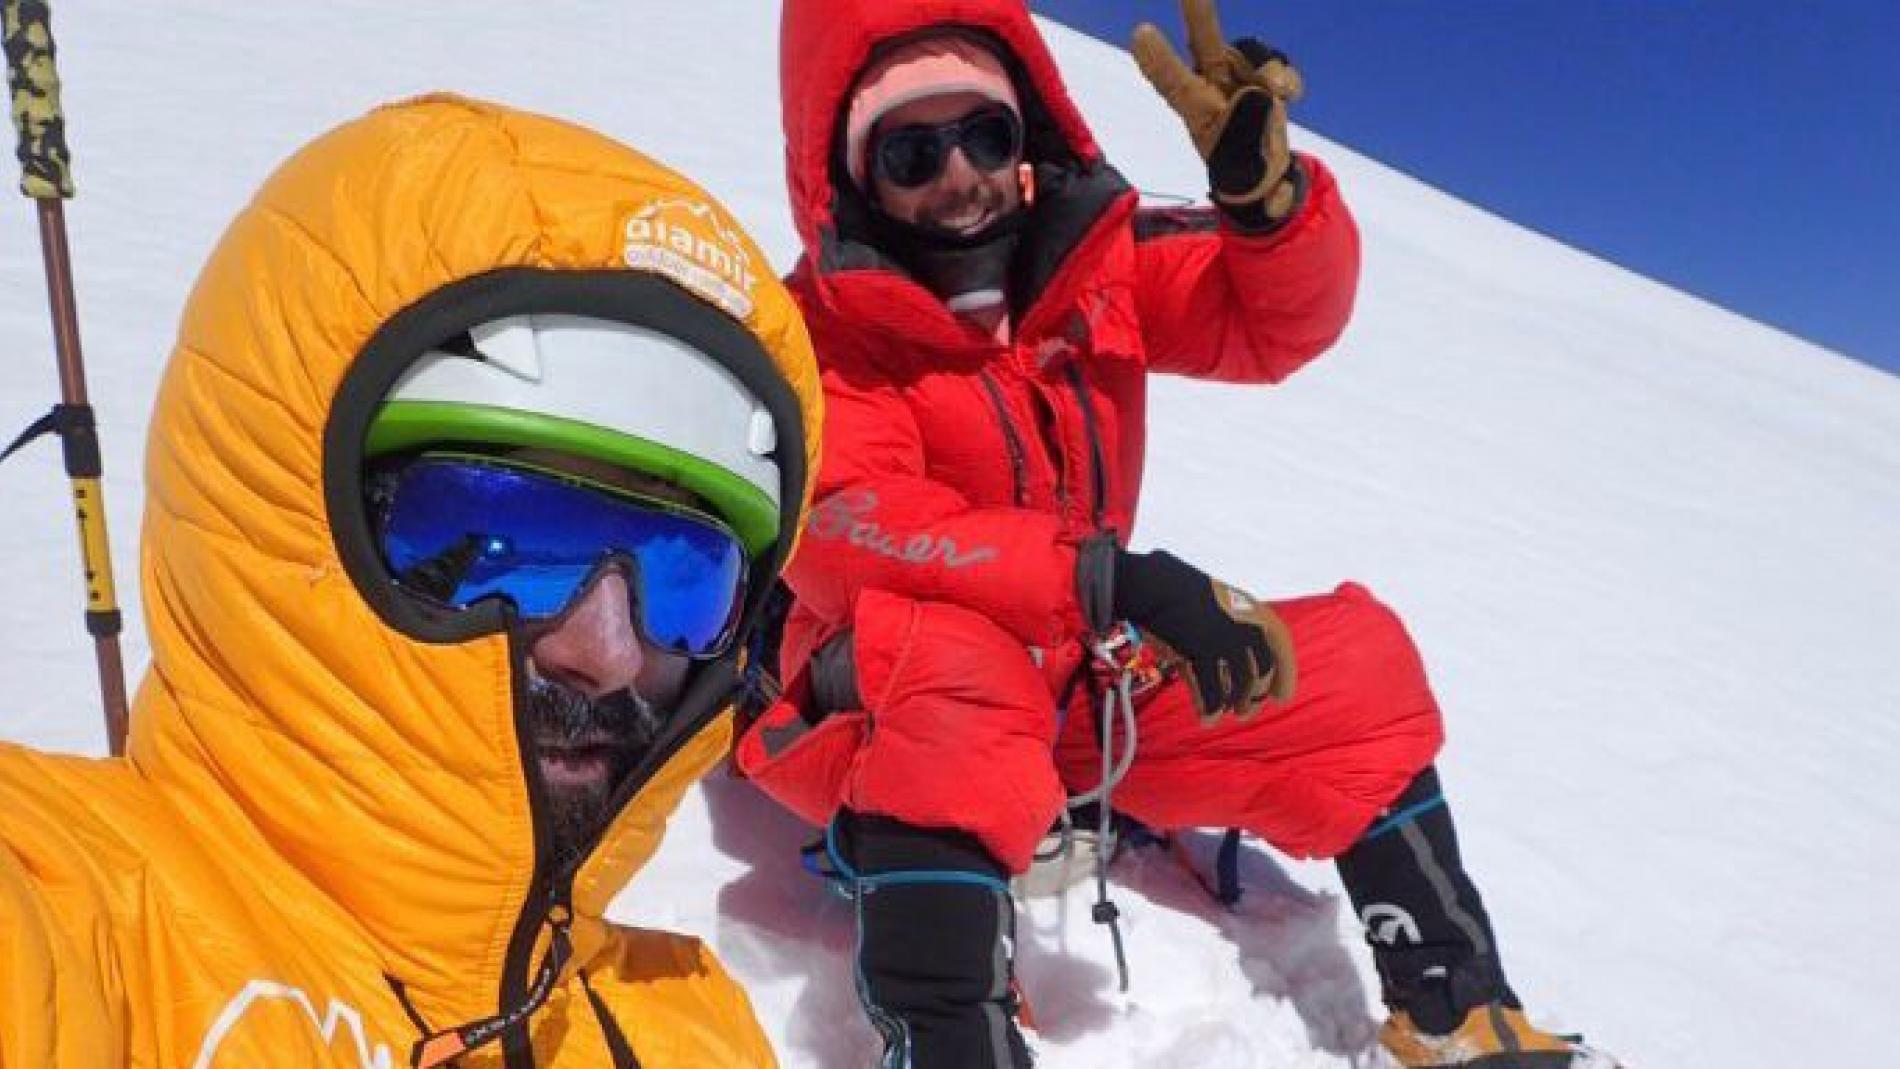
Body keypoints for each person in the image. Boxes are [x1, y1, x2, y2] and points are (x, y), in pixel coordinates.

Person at [737, 2, 1617, 1066]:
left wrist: (1268, 209)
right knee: (951, 665)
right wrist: (1103, 578)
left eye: (985, 134)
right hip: (876, 702)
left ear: (1028, 145)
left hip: (1076, 673)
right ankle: (949, 1043)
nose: (957, 173)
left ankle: (1454, 1008)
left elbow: (1271, 321)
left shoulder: (1088, 266)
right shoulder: (819, 331)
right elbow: (859, 532)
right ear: (853, 173)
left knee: (1350, 668)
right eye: (913, 149)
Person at [0, 94, 819, 1067]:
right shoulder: (64, 914)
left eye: (685, 579)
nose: (604, 650)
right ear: (287, 510)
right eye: (505, 534)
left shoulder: (693, 1027)